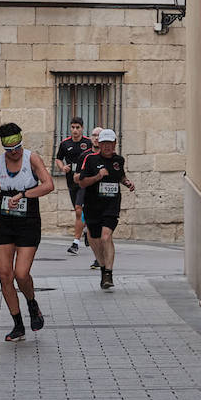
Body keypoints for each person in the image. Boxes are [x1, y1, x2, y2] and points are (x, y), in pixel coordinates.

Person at [0, 122, 56, 342]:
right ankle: (18, 324)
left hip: (28, 221)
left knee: (21, 273)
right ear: (3, 147)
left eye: (17, 147)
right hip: (5, 222)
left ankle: (32, 302)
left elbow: (49, 185)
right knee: (5, 275)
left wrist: (24, 194)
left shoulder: (31, 159)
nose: (14, 152)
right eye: (9, 149)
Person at [76, 128, 135, 290]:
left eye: (110, 143)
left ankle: (108, 273)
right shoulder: (90, 159)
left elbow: (120, 176)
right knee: (94, 238)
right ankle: (103, 268)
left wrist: (127, 182)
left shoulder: (119, 160)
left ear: (115, 144)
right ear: (99, 144)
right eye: (104, 143)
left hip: (111, 205)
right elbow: (81, 183)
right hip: (93, 205)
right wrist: (97, 177)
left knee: (106, 236)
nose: (108, 146)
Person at [53, 118, 97, 256]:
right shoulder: (65, 143)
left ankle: (75, 243)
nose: (75, 130)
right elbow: (58, 158)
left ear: (82, 128)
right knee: (78, 210)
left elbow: (95, 156)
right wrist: (62, 167)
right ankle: (86, 230)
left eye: (78, 127)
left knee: (79, 210)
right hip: (71, 181)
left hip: (85, 181)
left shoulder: (88, 143)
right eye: (73, 127)